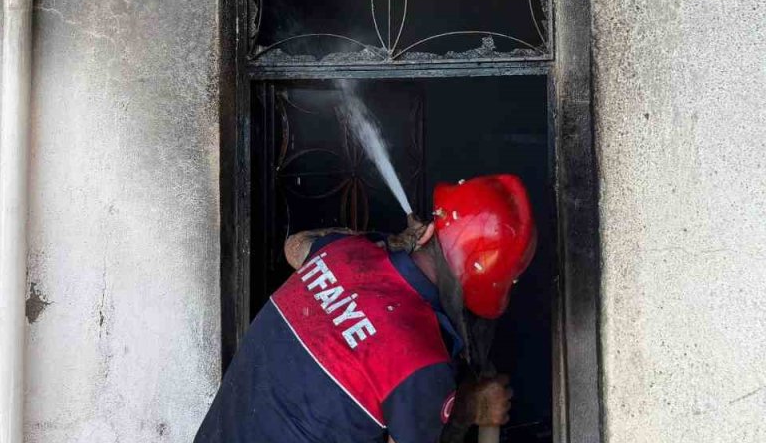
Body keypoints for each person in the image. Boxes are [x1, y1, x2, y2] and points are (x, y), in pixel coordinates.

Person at [194, 174, 537, 443]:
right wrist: (470, 408)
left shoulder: (342, 252)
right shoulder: (421, 361)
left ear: (431, 229)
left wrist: (389, 241)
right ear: (481, 289)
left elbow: (294, 246)